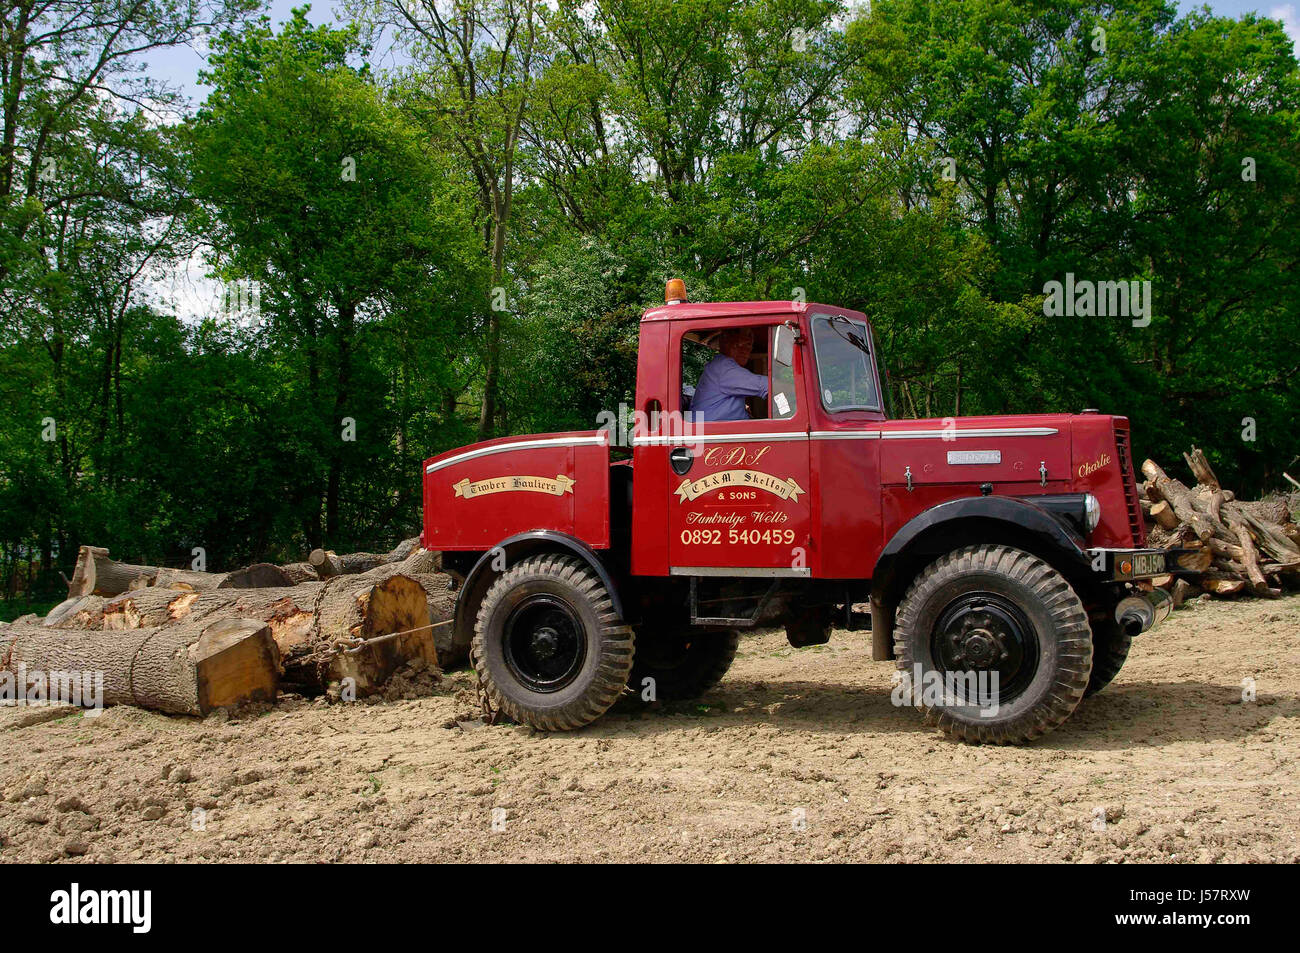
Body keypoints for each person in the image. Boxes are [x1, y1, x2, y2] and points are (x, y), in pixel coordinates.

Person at [690, 327, 768, 422]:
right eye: (737, 345)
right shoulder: (724, 367)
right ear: (724, 342)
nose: (745, 350)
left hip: (710, 430)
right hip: (710, 433)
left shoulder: (720, 366)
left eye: (749, 345)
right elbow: (766, 385)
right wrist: (789, 388)